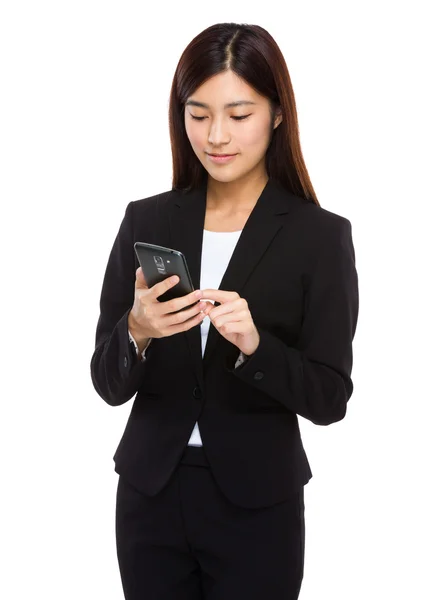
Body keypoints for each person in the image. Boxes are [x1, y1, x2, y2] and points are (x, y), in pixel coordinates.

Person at [90, 21, 359, 600]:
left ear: (277, 114)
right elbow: (106, 383)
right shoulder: (147, 220)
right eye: (197, 113)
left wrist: (257, 346)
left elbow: (331, 397)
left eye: (239, 115)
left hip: (258, 504)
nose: (215, 135)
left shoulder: (319, 236)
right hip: (150, 496)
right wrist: (137, 330)